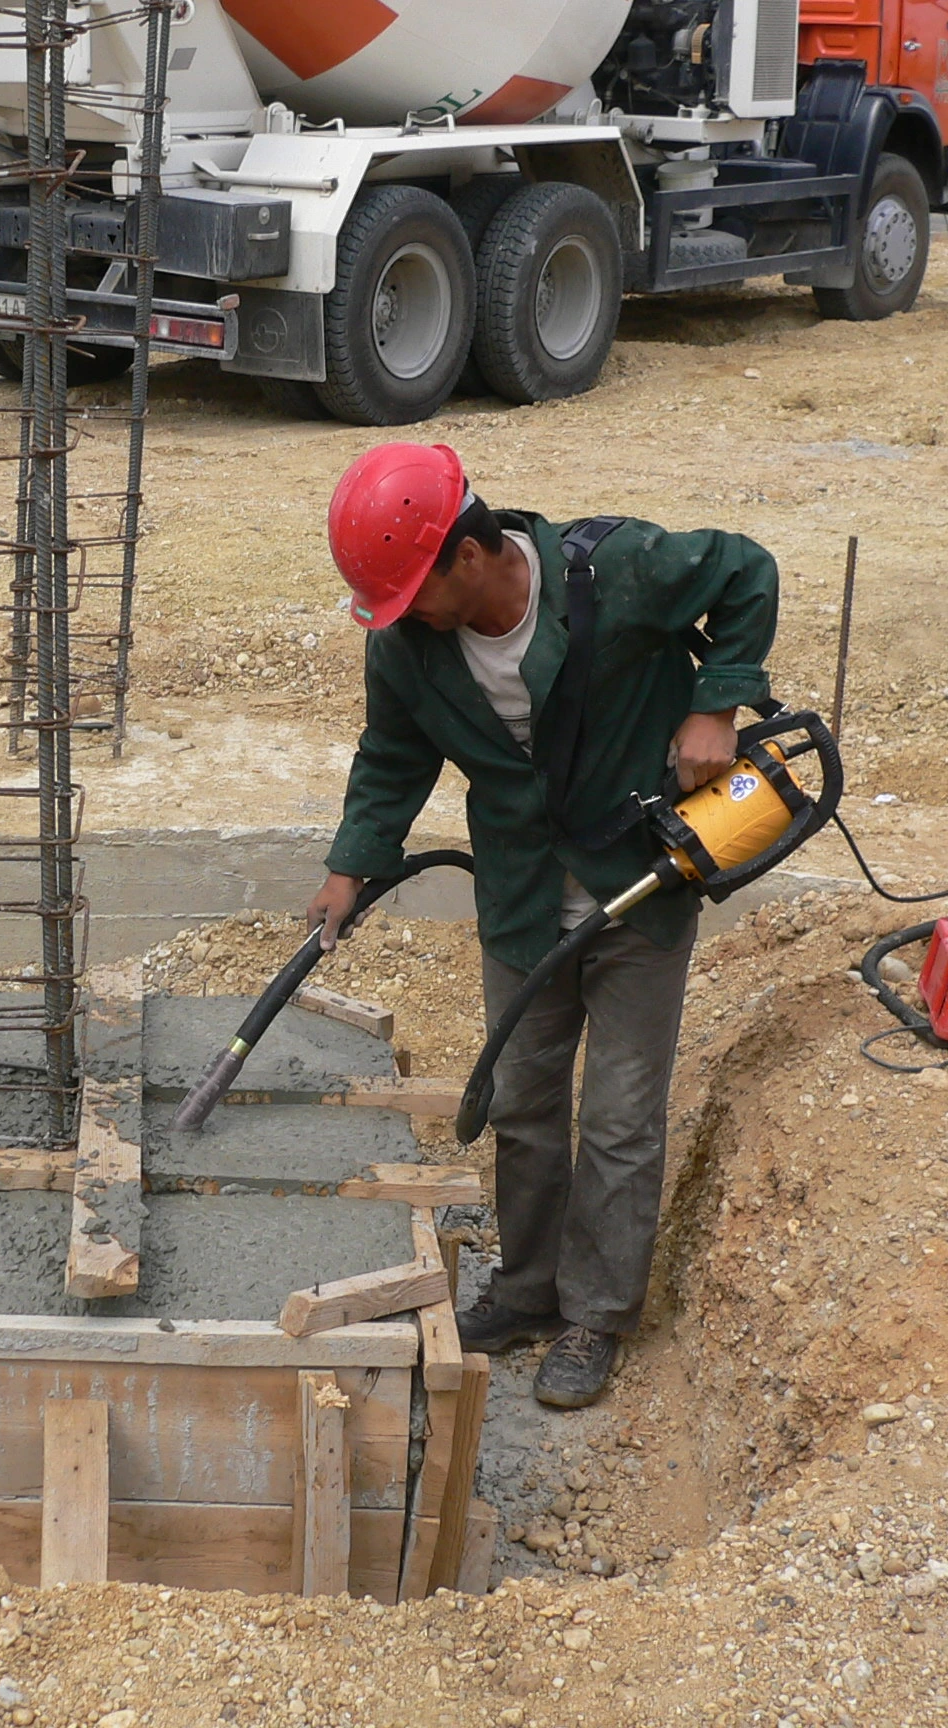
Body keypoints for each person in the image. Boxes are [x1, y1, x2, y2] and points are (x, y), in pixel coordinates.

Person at [306, 443, 777, 1409]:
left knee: (619, 1117)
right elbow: (393, 754)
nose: (408, 618)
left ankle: (595, 1314)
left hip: (641, 880)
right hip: (522, 895)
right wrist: (351, 866)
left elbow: (745, 571)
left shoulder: (618, 572)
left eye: (416, 596)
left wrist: (716, 702)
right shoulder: (408, 645)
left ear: (469, 555)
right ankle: (526, 1290)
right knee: (521, 1101)